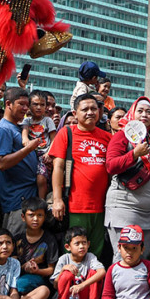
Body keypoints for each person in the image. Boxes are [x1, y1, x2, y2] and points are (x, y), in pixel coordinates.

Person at [50, 94, 112, 253]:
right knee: (74, 253)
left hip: (101, 207)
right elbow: (58, 167)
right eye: (85, 109)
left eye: (94, 108)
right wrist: (57, 200)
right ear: (75, 113)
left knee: (95, 252)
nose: (90, 112)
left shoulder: (107, 137)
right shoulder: (66, 133)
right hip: (75, 206)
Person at [104, 97, 150, 256]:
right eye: (140, 111)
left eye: (149, 112)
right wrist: (134, 154)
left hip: (147, 212)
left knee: (144, 255)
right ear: (132, 113)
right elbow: (111, 166)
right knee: (123, 258)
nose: (145, 115)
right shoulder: (122, 136)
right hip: (123, 207)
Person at [0, 88, 40, 233]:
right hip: (17, 202)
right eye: (21, 104)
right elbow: (1, 163)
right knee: (17, 248)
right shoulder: (3, 130)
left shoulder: (18, 127)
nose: (26, 108)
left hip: (29, 198)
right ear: (8, 104)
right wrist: (28, 149)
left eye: (27, 105)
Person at [51, 225, 105, 299]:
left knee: (94, 273)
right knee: (66, 273)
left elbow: (102, 272)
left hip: (84, 298)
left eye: (84, 243)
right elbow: (55, 285)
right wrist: (63, 270)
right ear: (68, 247)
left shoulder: (90, 257)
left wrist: (81, 285)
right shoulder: (64, 259)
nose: (81, 246)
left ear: (88, 244)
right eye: (77, 243)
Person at [13, 197, 59, 299]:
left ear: (45, 217)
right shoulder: (17, 238)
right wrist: (24, 267)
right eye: (31, 215)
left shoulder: (49, 239)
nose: (35, 219)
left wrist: (37, 271)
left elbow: (51, 270)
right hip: (18, 277)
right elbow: (12, 265)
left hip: (39, 279)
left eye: (39, 215)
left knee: (23, 283)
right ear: (23, 217)